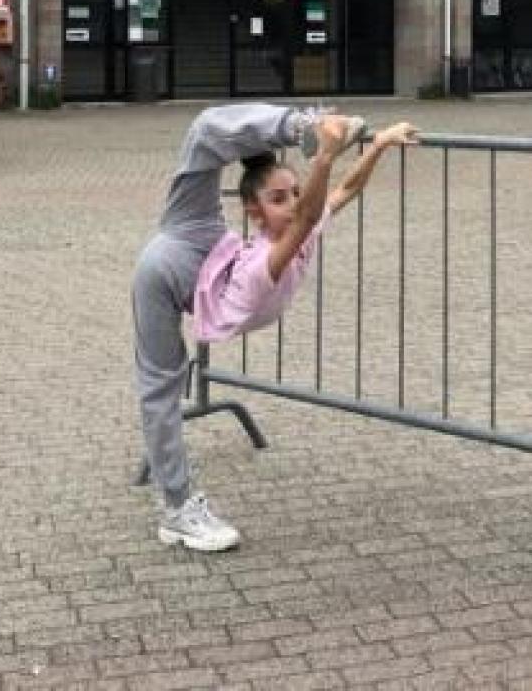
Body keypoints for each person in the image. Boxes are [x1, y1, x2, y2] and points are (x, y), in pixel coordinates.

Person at [133, 102, 418, 553]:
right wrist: (323, 152)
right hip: (173, 259)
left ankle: (303, 130)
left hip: (206, 252)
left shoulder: (287, 234)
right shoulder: (268, 258)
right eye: (277, 198)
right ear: (254, 212)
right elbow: (306, 215)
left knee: (208, 136)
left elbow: (343, 192)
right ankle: (178, 508)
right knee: (160, 386)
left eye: (294, 192)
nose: (292, 203)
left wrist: (379, 145)